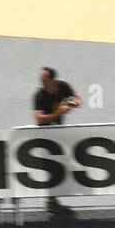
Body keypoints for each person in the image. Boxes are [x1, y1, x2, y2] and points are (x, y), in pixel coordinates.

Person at [32, 67, 82, 214]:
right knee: (51, 168)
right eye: (41, 80)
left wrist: (70, 105)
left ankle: (54, 199)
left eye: (45, 80)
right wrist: (57, 113)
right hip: (45, 135)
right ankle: (51, 201)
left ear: (53, 80)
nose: (42, 83)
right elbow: (39, 118)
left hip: (59, 133)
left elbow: (78, 100)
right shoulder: (39, 95)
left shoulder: (63, 87)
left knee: (61, 165)